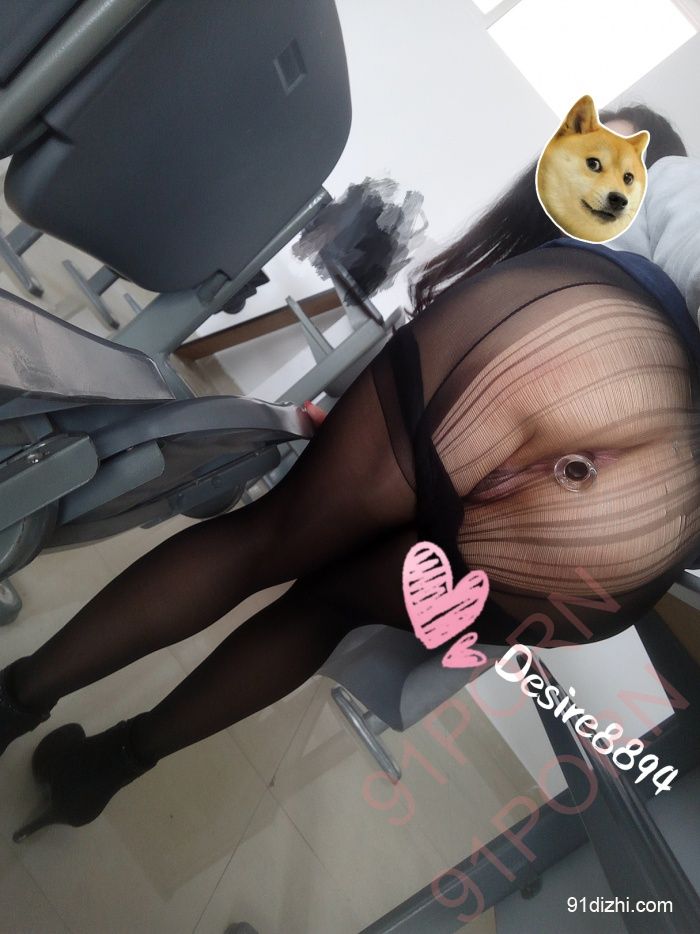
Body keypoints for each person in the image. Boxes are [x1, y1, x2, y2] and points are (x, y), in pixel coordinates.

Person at [2, 102, 700, 841]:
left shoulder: (668, 187)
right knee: (325, 612)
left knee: (265, 541)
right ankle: (103, 770)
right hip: (636, 532)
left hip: (566, 375)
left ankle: (17, 699)